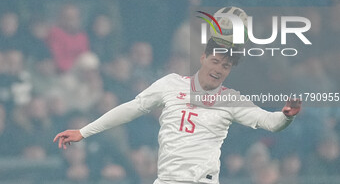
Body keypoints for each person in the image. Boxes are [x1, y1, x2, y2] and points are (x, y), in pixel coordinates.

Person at [54, 38, 301, 184]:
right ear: (203, 58)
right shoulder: (171, 84)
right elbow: (131, 108)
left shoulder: (230, 99)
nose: (219, 68)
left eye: (226, 66)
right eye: (216, 61)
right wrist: (83, 132)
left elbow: (270, 122)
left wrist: (286, 116)